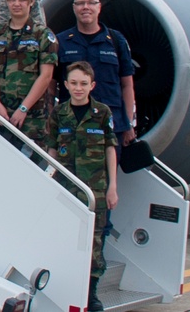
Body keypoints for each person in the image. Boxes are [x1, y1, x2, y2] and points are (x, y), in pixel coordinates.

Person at [45, 61, 118, 312]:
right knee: (63, 236)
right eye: (74, 83)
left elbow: (110, 149)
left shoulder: (103, 113)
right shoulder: (59, 113)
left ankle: (91, 293)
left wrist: (112, 187)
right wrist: (48, 180)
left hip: (96, 188)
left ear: (92, 85)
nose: (78, 88)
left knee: (95, 240)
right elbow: (52, 149)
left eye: (83, 84)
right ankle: (65, 288)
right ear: (65, 85)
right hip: (67, 187)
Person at [55, 0, 137, 145]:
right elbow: (51, 85)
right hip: (71, 126)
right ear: (74, 8)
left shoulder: (116, 41)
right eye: (80, 3)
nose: (85, 7)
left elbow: (127, 85)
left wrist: (129, 124)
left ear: (99, 7)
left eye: (91, 3)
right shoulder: (62, 42)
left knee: (110, 168)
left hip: (111, 126)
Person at [0, 0, 58, 147]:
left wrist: (23, 109)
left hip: (31, 118)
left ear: (31, 2)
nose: (16, 4)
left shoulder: (43, 35)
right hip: (0, 115)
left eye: (22, 0)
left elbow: (46, 76)